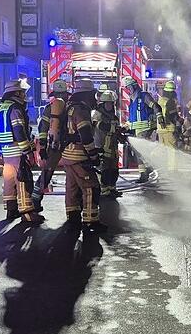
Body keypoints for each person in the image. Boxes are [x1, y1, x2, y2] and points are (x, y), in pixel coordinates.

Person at [60, 79, 107, 234]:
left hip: (68, 155)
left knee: (72, 188)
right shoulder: (81, 110)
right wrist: (93, 155)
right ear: (87, 95)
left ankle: (73, 218)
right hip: (79, 155)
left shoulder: (69, 108)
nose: (94, 98)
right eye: (93, 95)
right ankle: (90, 221)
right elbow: (85, 135)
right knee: (91, 188)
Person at [0, 78, 41, 223]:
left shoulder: (2, 106)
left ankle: (11, 210)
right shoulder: (15, 108)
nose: (24, 94)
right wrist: (27, 151)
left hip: (6, 150)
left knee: (9, 180)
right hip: (17, 149)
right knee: (23, 180)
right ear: (17, 93)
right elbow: (19, 130)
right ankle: (27, 213)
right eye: (23, 92)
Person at [34, 79, 69, 208]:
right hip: (70, 145)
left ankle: (35, 199)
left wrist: (42, 147)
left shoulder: (49, 108)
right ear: (66, 93)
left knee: (47, 172)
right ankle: (76, 203)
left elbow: (42, 128)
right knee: (74, 171)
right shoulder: (70, 107)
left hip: (54, 144)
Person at [122, 77, 158, 183]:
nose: (128, 91)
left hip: (145, 128)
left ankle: (145, 172)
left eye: (128, 88)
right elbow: (133, 118)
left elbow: (155, 106)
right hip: (137, 129)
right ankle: (147, 170)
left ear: (133, 86)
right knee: (140, 152)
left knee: (140, 152)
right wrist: (126, 126)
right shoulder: (132, 101)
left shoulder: (144, 96)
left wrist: (159, 116)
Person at [92, 89, 126, 199]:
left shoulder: (114, 117)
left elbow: (116, 130)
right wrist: (114, 129)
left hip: (113, 147)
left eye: (112, 103)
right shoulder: (97, 114)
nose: (110, 105)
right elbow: (99, 125)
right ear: (103, 103)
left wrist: (121, 135)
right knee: (104, 170)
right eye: (108, 103)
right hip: (101, 146)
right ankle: (104, 191)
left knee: (114, 170)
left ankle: (112, 189)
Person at [156, 80, 181, 169]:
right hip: (169, 129)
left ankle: (158, 166)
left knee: (162, 149)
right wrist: (179, 121)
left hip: (160, 129)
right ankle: (172, 170)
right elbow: (173, 115)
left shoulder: (160, 100)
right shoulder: (170, 102)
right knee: (172, 151)